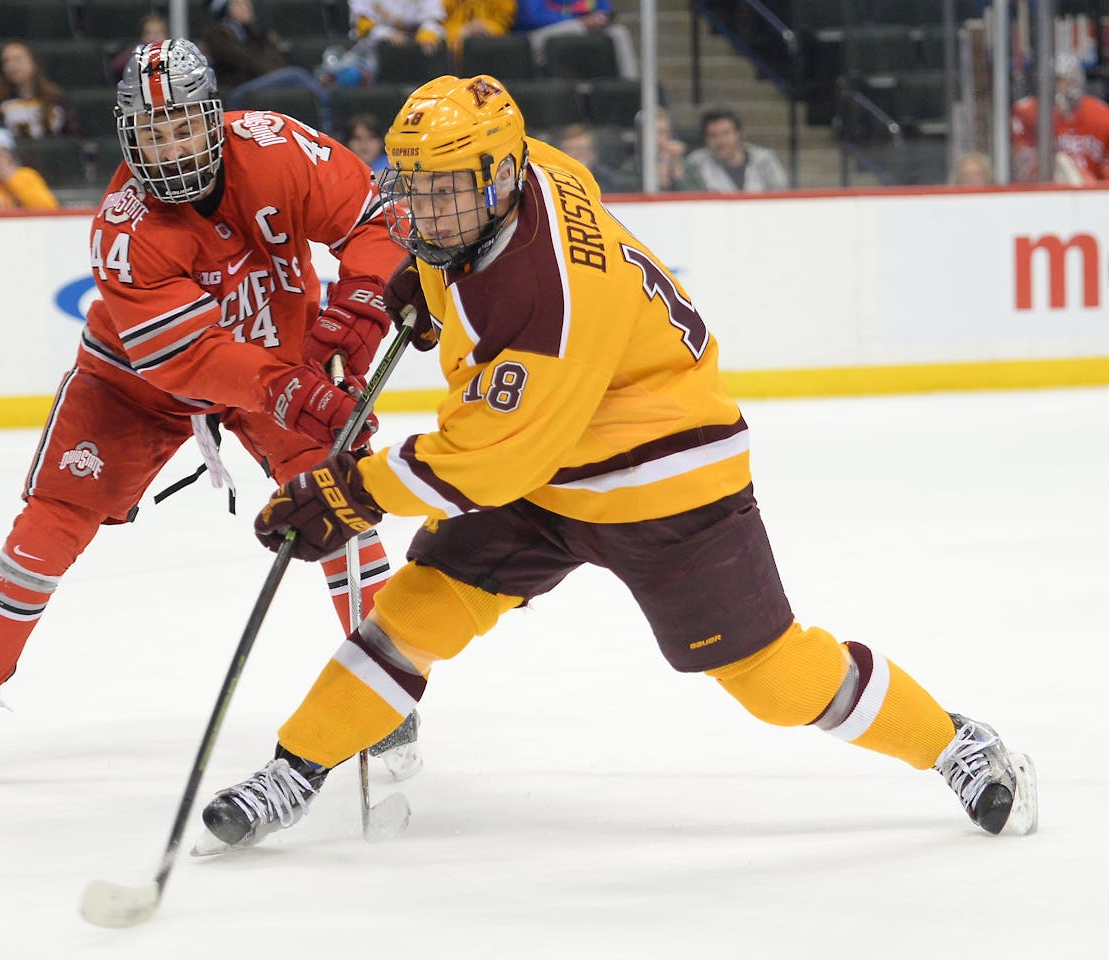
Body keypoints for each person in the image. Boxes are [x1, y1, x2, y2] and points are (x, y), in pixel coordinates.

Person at [197, 73, 1039, 851]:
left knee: (775, 681)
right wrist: (430, 268)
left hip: (659, 472)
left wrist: (349, 493)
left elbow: (483, 465)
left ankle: (956, 745)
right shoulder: (534, 170)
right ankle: (296, 768)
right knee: (416, 612)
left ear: (496, 177)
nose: (427, 211)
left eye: (445, 193)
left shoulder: (546, 300)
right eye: (415, 190)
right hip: (543, 453)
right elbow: (504, 422)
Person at [0, 38, 419, 780]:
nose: (169, 149)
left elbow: (376, 222)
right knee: (50, 524)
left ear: (215, 117)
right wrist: (291, 389)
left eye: (182, 127)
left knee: (341, 505)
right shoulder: (123, 228)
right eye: (150, 133)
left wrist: (365, 301)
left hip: (279, 355)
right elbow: (189, 358)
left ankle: (381, 692)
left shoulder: (277, 147)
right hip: (135, 383)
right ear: (126, 137)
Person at [199, 0, 332, 128]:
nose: (247, 6)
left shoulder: (254, 33)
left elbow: (276, 59)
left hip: (259, 80)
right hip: (238, 89)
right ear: (227, 8)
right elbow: (245, 62)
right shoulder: (217, 34)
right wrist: (276, 72)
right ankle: (327, 120)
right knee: (296, 75)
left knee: (293, 78)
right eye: (240, 3)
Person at [1009, 53, 1109, 184]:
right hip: (1047, 191)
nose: (1062, 86)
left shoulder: (1100, 113)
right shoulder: (1028, 112)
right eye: (1057, 81)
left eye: (1068, 81)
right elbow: (1022, 164)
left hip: (1091, 193)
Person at [0, 40, 81, 140]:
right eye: (5, 61)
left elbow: (73, 135)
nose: (11, 65)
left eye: (17, 59)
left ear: (34, 62)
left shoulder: (56, 98)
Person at [513, 0, 637, 80]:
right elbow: (532, 18)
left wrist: (603, 19)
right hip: (535, 38)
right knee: (575, 27)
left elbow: (605, 9)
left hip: (582, 31)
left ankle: (632, 90)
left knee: (619, 32)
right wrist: (581, 21)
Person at [683, 107, 788, 193]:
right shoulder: (696, 162)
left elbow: (781, 193)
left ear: (738, 134)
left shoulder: (764, 159)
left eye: (726, 134)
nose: (720, 141)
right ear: (705, 139)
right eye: (713, 135)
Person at [349, 0, 447, 60]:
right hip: (372, 53)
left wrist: (428, 31)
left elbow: (433, 18)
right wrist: (387, 33)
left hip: (415, 49)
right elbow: (363, 26)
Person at [553, 121, 630, 193]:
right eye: (570, 150)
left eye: (582, 149)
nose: (576, 155)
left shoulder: (610, 181)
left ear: (593, 153)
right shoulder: (549, 180)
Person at [442, 0, 515, 57]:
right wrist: (463, 30)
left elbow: (505, 19)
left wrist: (487, 27)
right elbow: (437, 23)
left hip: (492, 48)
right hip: (451, 53)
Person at [109, 12, 169, 79]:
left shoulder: (172, 54)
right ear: (142, 36)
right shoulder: (136, 53)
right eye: (149, 33)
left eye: (158, 32)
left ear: (166, 35)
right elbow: (116, 65)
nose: (154, 37)